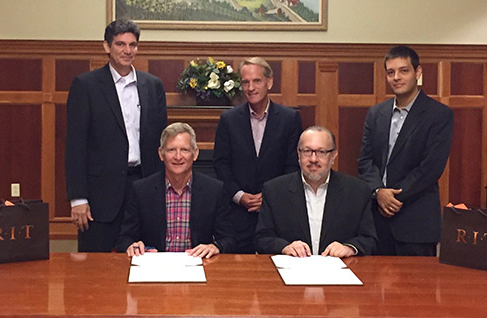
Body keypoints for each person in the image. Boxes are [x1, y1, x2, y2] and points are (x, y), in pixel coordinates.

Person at [66, 19, 167, 252]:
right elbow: (75, 145)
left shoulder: (153, 86)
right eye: (120, 44)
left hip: (143, 185)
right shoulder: (86, 85)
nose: (127, 51)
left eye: (132, 45)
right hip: (101, 194)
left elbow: (162, 143)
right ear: (106, 46)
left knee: (145, 259)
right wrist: (78, 198)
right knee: (95, 270)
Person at [357, 45, 454, 256]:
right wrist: (378, 192)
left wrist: (395, 197)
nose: (396, 77)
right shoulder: (376, 113)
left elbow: (431, 168)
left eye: (404, 70)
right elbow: (365, 161)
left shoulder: (438, 115)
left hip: (415, 221)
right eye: (391, 72)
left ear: (418, 73)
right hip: (376, 220)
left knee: (416, 288)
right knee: (373, 287)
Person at [213, 57, 303, 253]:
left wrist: (271, 196)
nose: (250, 87)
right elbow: (221, 164)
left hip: (277, 212)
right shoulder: (229, 119)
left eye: (257, 81)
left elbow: (293, 165)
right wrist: (240, 196)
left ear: (269, 82)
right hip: (238, 212)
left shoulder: (289, 119)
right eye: (245, 82)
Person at [254, 126, 377, 258]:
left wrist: (350, 248)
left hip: (339, 273)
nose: (313, 159)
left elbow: (369, 239)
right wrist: (284, 247)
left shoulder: (356, 191)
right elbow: (262, 238)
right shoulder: (274, 190)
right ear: (298, 153)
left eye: (321, 152)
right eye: (307, 151)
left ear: (333, 155)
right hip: (292, 272)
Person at [117, 122, 235, 258]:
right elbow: (124, 239)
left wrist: (215, 247)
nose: (178, 157)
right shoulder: (141, 190)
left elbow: (229, 240)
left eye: (184, 150)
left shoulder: (214, 190)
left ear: (195, 154)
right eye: (171, 150)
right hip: (154, 266)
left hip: (197, 265)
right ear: (161, 154)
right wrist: (133, 246)